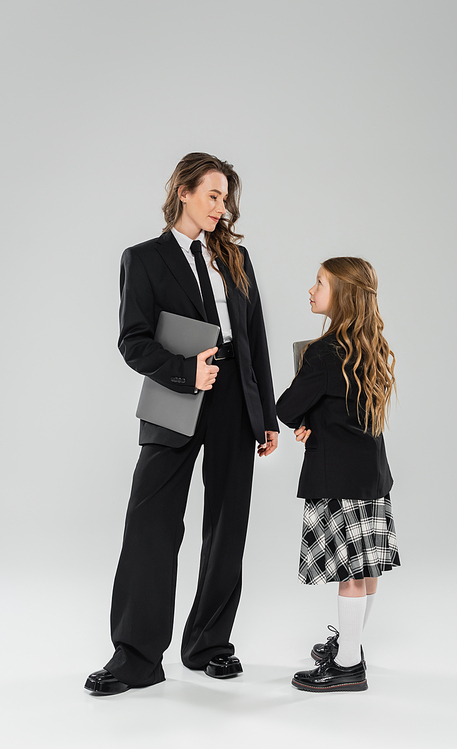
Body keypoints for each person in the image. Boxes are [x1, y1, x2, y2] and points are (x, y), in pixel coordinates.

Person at [85, 152, 279, 695]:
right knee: (152, 522)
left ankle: (208, 645)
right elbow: (133, 341)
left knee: (227, 527)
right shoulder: (142, 258)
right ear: (184, 193)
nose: (222, 207)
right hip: (176, 395)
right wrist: (185, 371)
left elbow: (255, 340)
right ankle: (136, 657)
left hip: (235, 403)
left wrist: (264, 415)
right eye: (212, 195)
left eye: (225, 198)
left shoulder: (236, 260)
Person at [276, 257, 400, 693]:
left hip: (339, 477)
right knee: (366, 569)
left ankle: (348, 666)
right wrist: (317, 413)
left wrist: (306, 416)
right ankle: (353, 645)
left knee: (349, 573)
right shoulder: (368, 345)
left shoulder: (324, 352)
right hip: (370, 474)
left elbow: (286, 407)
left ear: (342, 296)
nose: (311, 291)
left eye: (320, 283)